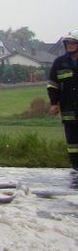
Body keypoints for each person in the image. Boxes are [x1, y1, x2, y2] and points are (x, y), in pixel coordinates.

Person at [47, 31, 78, 171]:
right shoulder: (59, 63)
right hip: (68, 109)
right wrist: (54, 103)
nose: (70, 46)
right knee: (72, 143)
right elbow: (53, 85)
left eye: (73, 43)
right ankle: (76, 166)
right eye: (67, 44)